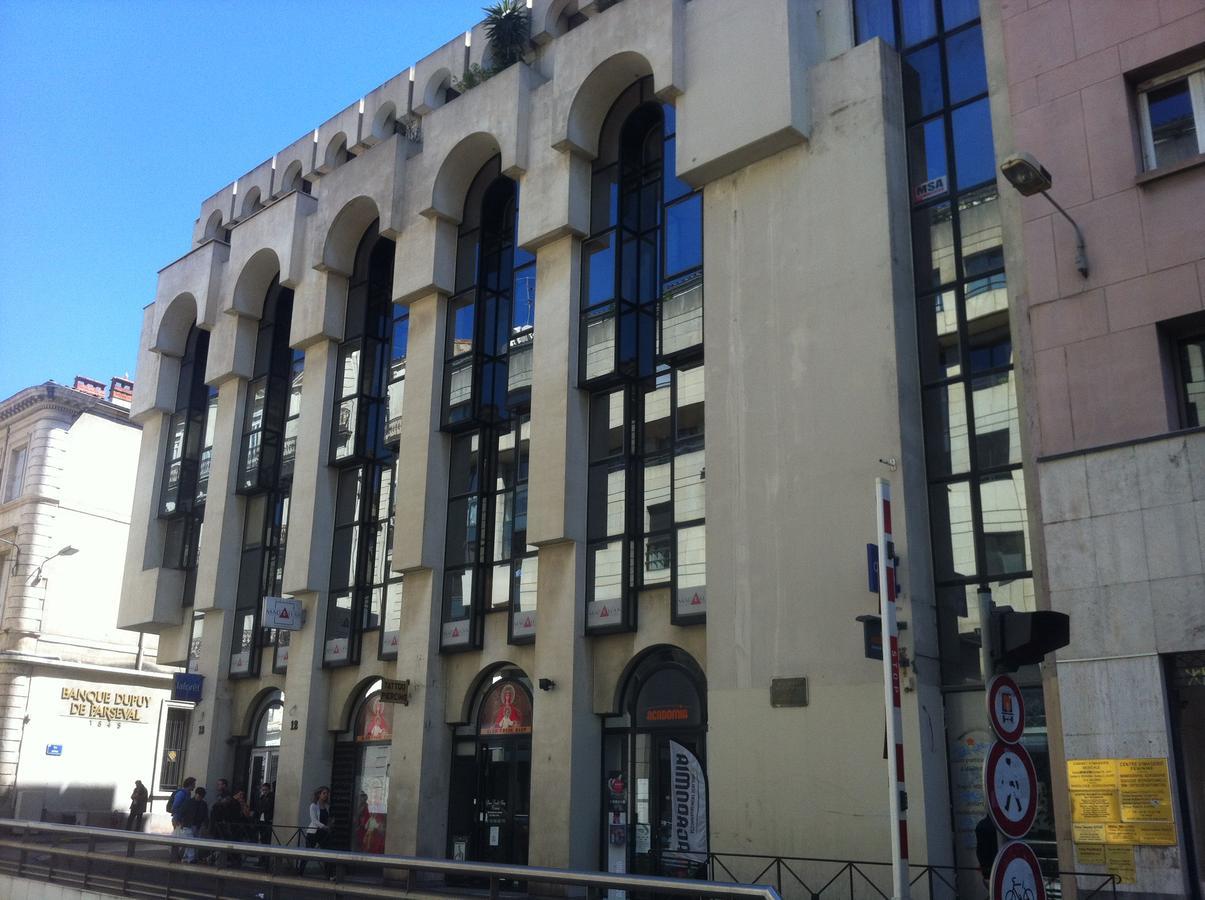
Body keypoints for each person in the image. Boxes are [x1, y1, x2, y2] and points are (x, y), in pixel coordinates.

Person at [300, 786, 334, 878]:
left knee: (328, 852)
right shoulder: (313, 806)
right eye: (324, 793)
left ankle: (329, 875)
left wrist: (329, 824)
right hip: (314, 832)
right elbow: (314, 820)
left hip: (323, 833)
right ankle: (300, 872)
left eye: (327, 793)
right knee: (307, 853)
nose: (326, 795)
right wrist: (324, 826)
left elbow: (327, 818)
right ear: (319, 794)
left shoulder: (327, 806)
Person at [168, 777, 196, 861]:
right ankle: (175, 856)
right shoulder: (182, 793)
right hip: (178, 819)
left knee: (178, 837)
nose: (194, 786)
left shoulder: (187, 793)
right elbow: (175, 806)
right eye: (193, 784)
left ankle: (177, 856)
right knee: (178, 838)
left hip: (181, 819)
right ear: (190, 784)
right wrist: (177, 818)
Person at [181, 787, 209, 864]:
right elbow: (182, 812)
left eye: (201, 796)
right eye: (199, 796)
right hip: (189, 825)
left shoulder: (191, 802)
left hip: (195, 825)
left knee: (191, 842)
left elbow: (205, 816)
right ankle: (191, 858)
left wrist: (205, 824)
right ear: (196, 794)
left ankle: (186, 857)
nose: (200, 798)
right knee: (191, 841)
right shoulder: (192, 803)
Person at [251, 782, 275, 866]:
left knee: (266, 840)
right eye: (263, 790)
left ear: (269, 790)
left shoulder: (271, 797)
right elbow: (258, 807)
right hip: (261, 820)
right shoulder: (261, 797)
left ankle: (265, 861)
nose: (264, 791)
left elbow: (266, 807)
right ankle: (261, 859)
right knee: (262, 840)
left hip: (267, 821)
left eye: (265, 790)